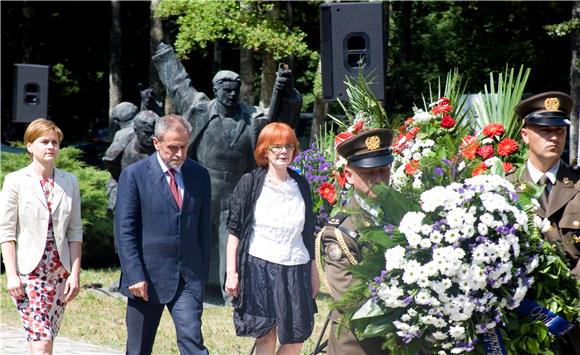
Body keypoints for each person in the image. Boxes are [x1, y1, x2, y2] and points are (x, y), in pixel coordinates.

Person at [152, 43, 302, 301]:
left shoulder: (251, 117)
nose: (232, 96)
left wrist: (286, 92)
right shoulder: (200, 110)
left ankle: (231, 290)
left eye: (235, 91)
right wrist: (165, 56)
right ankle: (190, 287)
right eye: (226, 91)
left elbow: (278, 123)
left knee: (233, 239)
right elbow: (178, 85)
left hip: (237, 189)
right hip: (203, 187)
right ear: (216, 91)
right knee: (195, 237)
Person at [115, 114, 211, 355]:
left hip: (187, 278)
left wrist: (200, 275)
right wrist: (134, 275)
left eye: (184, 147)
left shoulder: (199, 175)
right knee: (138, 349)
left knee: (193, 343)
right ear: (157, 143)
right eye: (172, 148)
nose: (179, 153)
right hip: (145, 279)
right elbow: (124, 231)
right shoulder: (134, 175)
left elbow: (203, 229)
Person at [225, 122, 319, 354]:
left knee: (297, 336)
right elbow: (234, 231)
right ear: (264, 150)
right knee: (266, 335)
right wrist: (231, 273)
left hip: (296, 267)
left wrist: (314, 272)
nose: (283, 151)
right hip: (260, 267)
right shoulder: (250, 183)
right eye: (276, 146)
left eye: (288, 146)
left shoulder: (301, 185)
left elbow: (308, 233)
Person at [0, 118, 83, 354]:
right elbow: (6, 231)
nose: (51, 147)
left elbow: (74, 231)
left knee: (42, 340)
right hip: (29, 274)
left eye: (55, 142)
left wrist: (74, 274)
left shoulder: (70, 182)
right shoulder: (15, 181)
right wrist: (12, 275)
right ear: (29, 146)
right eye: (44, 141)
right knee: (42, 342)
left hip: (59, 274)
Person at [513, 91, 580, 355]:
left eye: (559, 131)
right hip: (517, 327)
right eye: (544, 130)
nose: (554, 137)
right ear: (525, 134)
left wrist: (566, 304)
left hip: (573, 326)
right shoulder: (502, 189)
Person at [317, 128, 394, 355]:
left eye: (383, 170)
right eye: (368, 172)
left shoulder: (400, 215)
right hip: (358, 347)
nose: (378, 179)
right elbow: (353, 303)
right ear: (349, 175)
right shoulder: (340, 232)